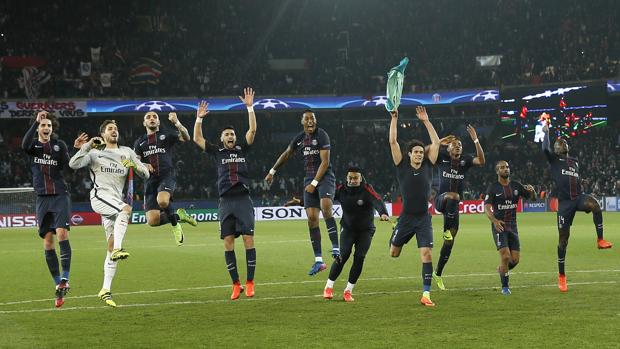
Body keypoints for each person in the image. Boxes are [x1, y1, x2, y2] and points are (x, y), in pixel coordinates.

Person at [69, 120, 149, 307]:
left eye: (116, 129)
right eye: (110, 129)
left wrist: (135, 166)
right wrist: (87, 146)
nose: (114, 131)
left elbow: (146, 174)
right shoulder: (95, 153)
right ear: (103, 134)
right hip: (100, 196)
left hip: (114, 199)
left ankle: (105, 289)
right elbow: (73, 164)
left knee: (110, 245)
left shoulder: (127, 151)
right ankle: (119, 249)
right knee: (126, 210)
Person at [193, 88, 257, 300]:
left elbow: (252, 132)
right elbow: (197, 139)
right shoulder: (216, 152)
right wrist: (199, 120)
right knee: (228, 241)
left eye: (232, 134)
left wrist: (250, 107)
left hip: (243, 200)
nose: (230, 136)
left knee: (248, 239)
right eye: (227, 134)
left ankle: (249, 282)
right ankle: (235, 284)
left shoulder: (241, 150)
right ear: (221, 139)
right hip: (225, 202)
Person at [265, 109, 340, 276]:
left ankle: (336, 247)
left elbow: (325, 162)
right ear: (302, 122)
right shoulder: (299, 139)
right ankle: (319, 261)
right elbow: (286, 154)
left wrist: (314, 183)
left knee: (326, 206)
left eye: (312, 118)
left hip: (325, 177)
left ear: (316, 120)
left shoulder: (322, 136)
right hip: (309, 179)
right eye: (307, 119)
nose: (310, 121)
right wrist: (272, 171)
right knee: (312, 218)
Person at [541, 122, 612, 292]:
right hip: (564, 204)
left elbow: (573, 179)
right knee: (563, 240)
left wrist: (581, 182)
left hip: (578, 198)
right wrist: (546, 133)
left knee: (595, 205)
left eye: (564, 142)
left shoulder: (575, 162)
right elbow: (545, 149)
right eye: (559, 143)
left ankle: (600, 240)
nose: (562, 143)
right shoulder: (554, 159)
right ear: (556, 149)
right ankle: (562, 276)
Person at [22, 111, 78, 308]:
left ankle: (65, 278)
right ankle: (58, 285)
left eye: (49, 126)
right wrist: (34, 122)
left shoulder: (59, 145)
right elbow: (24, 145)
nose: (47, 128)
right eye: (43, 125)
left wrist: (76, 151)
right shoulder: (34, 147)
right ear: (38, 128)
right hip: (42, 198)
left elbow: (68, 167)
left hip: (60, 195)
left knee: (62, 233)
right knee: (47, 241)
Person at [388, 106, 440, 307]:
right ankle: (396, 234)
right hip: (406, 217)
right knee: (394, 253)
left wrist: (426, 121)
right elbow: (392, 141)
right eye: (415, 152)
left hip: (423, 218)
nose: (419, 154)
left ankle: (426, 294)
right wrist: (394, 119)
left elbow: (435, 142)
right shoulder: (401, 165)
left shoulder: (429, 165)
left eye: (421, 152)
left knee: (426, 254)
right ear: (409, 154)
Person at [322, 167, 390, 302]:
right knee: (343, 256)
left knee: (359, 258)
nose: (353, 181)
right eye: (350, 178)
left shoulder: (367, 189)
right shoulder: (341, 189)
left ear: (360, 178)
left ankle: (348, 291)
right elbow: (324, 197)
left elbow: (377, 200)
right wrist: (303, 202)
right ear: (347, 178)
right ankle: (328, 287)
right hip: (348, 229)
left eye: (355, 178)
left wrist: (383, 213)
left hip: (366, 230)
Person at [432, 126, 485, 290]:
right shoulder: (442, 157)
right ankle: (446, 230)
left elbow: (481, 161)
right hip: (441, 200)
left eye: (460, 145)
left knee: (450, 242)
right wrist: (440, 141)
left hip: (453, 208)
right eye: (454, 144)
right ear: (447, 148)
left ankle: (438, 273)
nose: (458, 146)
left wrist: (476, 140)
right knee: (454, 195)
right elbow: (428, 151)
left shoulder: (466, 161)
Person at [134, 110, 196, 246]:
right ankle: (180, 215)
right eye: (148, 117)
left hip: (166, 175)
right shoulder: (139, 142)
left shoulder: (166, 134)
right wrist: (143, 164)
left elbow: (186, 138)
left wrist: (177, 123)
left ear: (158, 122)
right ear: (144, 122)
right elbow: (136, 163)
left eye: (154, 117)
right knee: (152, 221)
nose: (152, 119)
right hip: (150, 181)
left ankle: (175, 225)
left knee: (162, 201)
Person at [484, 161, 536, 295]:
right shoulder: (493, 188)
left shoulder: (516, 186)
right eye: (502, 167)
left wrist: (533, 191)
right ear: (497, 171)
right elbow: (487, 207)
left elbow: (533, 199)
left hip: (513, 227)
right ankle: (505, 287)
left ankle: (502, 269)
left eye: (507, 167)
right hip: (499, 226)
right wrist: (494, 221)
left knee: (515, 260)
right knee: (506, 256)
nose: (505, 169)